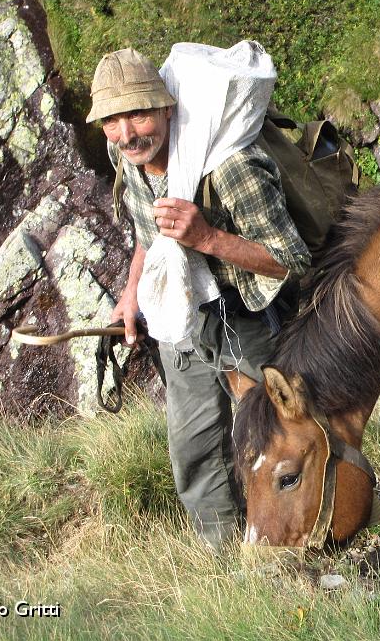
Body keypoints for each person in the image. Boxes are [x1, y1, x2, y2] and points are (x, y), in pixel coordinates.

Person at [88, 47, 311, 549]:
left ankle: (290, 546)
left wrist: (208, 238)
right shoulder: (126, 157)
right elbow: (148, 232)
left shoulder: (232, 168)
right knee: (193, 446)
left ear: (167, 108)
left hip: (247, 319)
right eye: (112, 120)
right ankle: (222, 555)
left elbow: (293, 261)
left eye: (139, 113)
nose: (127, 133)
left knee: (271, 445)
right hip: (181, 322)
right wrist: (130, 297)